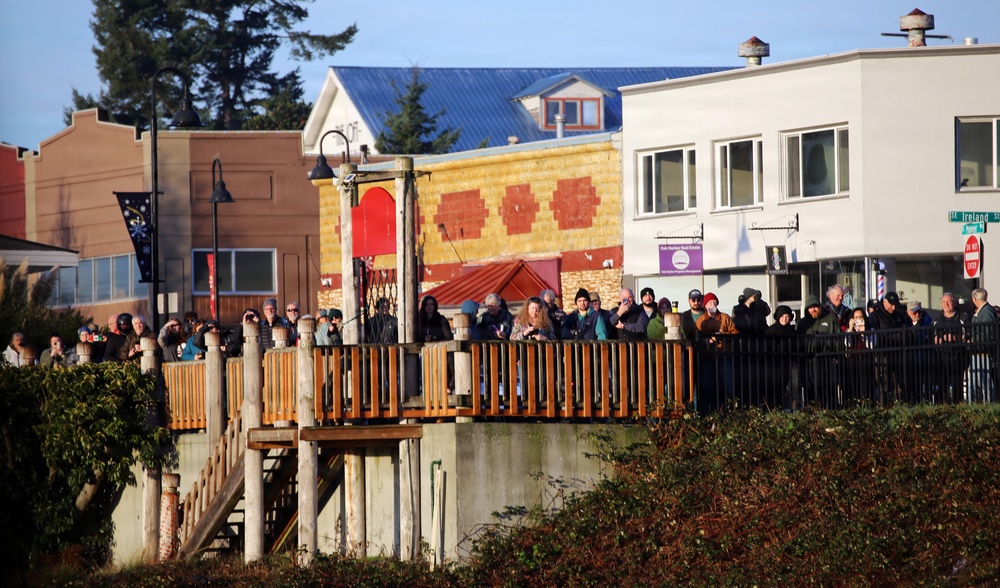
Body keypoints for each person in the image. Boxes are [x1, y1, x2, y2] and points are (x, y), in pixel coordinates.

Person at [933, 292, 970, 402]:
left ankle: (957, 409)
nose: (946, 304)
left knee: (956, 388)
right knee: (941, 388)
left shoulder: (963, 318)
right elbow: (931, 337)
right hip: (940, 359)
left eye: (949, 301)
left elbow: (968, 336)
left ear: (954, 303)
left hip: (958, 358)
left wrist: (954, 338)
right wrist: (937, 340)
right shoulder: (936, 319)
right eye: (944, 302)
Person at [968, 288, 998, 402]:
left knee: (984, 382)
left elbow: (987, 332)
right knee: (977, 382)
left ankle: (988, 404)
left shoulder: (987, 312)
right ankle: (978, 404)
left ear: (975, 299)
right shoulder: (984, 311)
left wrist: (973, 340)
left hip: (983, 353)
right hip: (979, 352)